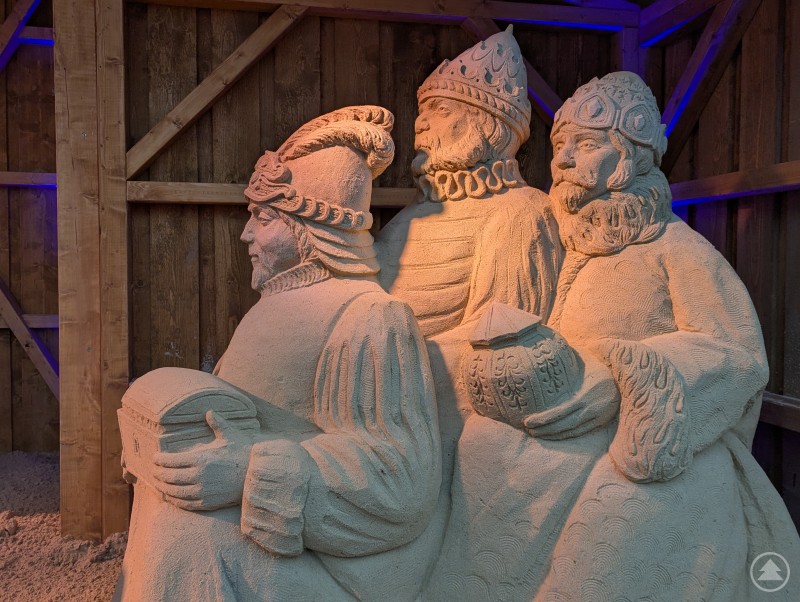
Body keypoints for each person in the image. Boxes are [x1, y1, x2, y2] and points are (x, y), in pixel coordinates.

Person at [426, 71, 800, 600]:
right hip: (561, 416)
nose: (563, 160)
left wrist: (625, 375)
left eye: (586, 144)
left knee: (612, 520)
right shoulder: (572, 247)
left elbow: (735, 352)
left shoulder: (678, 250)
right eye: (561, 146)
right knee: (483, 446)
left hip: (639, 429)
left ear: (631, 156)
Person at [115, 106, 441, 602]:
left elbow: (402, 480)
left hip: (342, 568)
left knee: (185, 537)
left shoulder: (372, 317)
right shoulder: (272, 305)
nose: (246, 234)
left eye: (264, 218)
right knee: (167, 504)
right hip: (277, 533)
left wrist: (248, 472)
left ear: (312, 228)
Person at [374, 29, 564, 580]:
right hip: (381, 392)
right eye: (422, 111)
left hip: (440, 415)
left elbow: (502, 340)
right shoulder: (409, 219)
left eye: (440, 111)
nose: (421, 123)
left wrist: (386, 369)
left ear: (487, 126)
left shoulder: (520, 213)